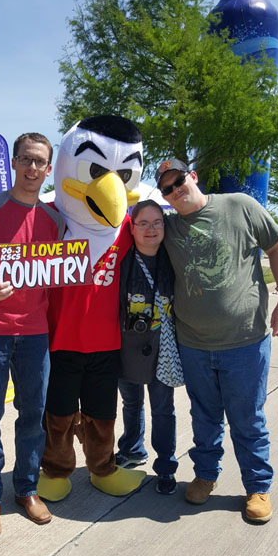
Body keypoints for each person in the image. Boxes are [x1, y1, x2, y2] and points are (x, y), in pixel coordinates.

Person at [154, 158, 278, 522]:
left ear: (193, 176)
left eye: (179, 181)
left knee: (248, 418)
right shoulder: (167, 226)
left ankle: (257, 486)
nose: (175, 191)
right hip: (194, 344)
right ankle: (205, 475)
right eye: (167, 189)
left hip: (245, 341)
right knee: (204, 417)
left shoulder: (240, 205)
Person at [0, 132, 65, 537]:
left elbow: (60, 273)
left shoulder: (55, 220)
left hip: (35, 332)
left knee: (33, 416)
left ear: (48, 169)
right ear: (14, 163)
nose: (32, 168)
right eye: (26, 159)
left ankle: (26, 489)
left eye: (40, 161)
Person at [116, 200, 184, 494]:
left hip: (162, 347)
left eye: (157, 223)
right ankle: (132, 449)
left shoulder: (173, 258)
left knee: (163, 409)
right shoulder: (122, 260)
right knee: (131, 403)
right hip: (126, 347)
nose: (150, 229)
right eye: (143, 223)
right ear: (132, 228)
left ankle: (166, 466)